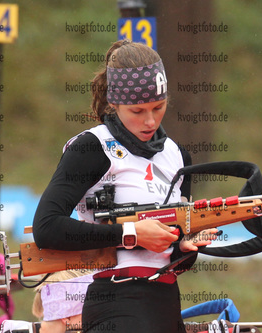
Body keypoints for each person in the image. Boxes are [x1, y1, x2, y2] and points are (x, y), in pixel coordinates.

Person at [32, 39, 217, 333]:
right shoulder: (92, 147)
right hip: (115, 298)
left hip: (166, 301)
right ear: (114, 103)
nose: (150, 121)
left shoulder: (178, 155)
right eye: (137, 111)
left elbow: (177, 261)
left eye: (159, 107)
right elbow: (46, 227)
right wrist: (129, 234)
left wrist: (185, 246)